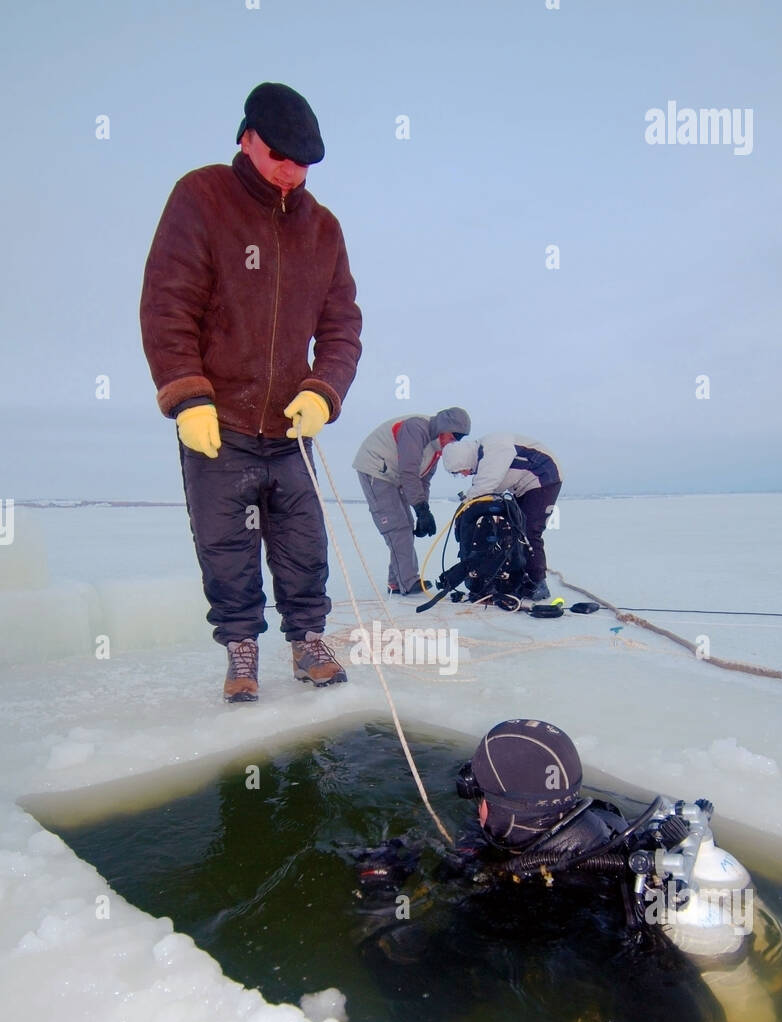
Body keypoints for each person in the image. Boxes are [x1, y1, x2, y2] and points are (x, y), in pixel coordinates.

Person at [356, 718, 782, 1022]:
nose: (477, 808)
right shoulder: (608, 824)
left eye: (483, 797)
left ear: (508, 812)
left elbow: (418, 994)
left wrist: (379, 891)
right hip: (678, 1020)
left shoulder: (516, 904)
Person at [140, 82, 362, 702]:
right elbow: (167, 304)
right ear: (247, 138)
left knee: (302, 540)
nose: (293, 173)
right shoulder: (202, 196)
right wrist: (186, 394)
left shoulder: (324, 230)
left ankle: (308, 639)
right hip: (220, 424)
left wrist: (323, 390)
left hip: (290, 430)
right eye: (281, 158)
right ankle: (241, 650)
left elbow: (343, 325)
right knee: (226, 543)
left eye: (305, 164)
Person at [353, 408, 471, 596]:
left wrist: (424, 511)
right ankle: (408, 581)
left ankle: (396, 582)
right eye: (454, 435)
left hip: (394, 477)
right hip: (376, 470)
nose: (455, 441)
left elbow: (423, 480)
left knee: (406, 526)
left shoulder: (436, 450)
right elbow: (408, 472)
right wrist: (420, 510)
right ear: (444, 427)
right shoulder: (416, 429)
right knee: (397, 527)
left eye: (460, 438)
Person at [442, 434, 562, 601]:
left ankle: (538, 582)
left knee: (528, 531)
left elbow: (487, 483)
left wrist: (468, 502)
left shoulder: (494, 448)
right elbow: (488, 487)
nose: (463, 474)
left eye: (460, 470)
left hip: (544, 479)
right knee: (511, 531)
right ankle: (517, 576)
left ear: (463, 460)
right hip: (522, 487)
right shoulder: (485, 458)